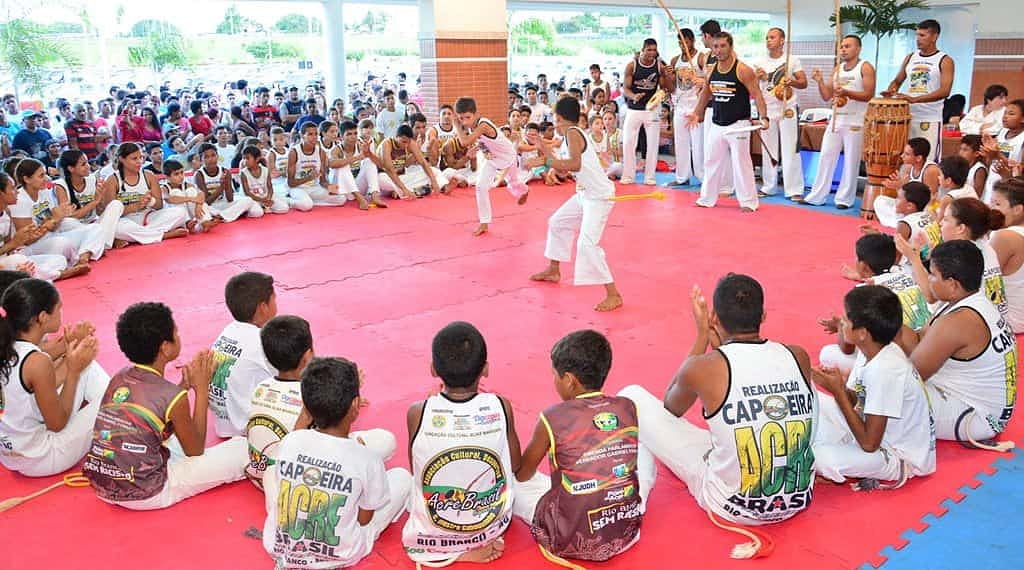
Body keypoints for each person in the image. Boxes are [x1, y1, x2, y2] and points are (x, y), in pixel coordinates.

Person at [619, 274, 815, 557]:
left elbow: (671, 407)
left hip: (734, 506)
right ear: (763, 315)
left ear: (714, 318)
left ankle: (637, 499)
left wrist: (701, 336)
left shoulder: (704, 367)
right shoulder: (798, 355)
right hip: (797, 499)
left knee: (631, 397)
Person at [82, 302, 249, 509]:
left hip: (103, 487)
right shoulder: (173, 397)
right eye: (176, 332)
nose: (179, 335)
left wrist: (184, 386)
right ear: (165, 347)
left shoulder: (120, 376)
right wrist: (202, 388)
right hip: (148, 493)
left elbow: (155, 416)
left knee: (171, 441)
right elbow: (195, 451)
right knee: (242, 448)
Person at [514, 330, 653, 563]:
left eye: (555, 376)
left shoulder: (552, 416)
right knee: (645, 454)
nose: (554, 381)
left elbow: (523, 474)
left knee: (506, 481)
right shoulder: (627, 406)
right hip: (625, 532)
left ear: (569, 380)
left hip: (566, 537)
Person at [263, 356, 411, 568]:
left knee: (275, 470)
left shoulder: (290, 441)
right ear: (355, 405)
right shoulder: (366, 459)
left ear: (305, 406)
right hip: (343, 552)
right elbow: (363, 520)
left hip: (280, 546)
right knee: (402, 478)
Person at [403, 321, 521, 565]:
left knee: (400, 480)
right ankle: (476, 540)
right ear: (485, 369)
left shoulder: (418, 412)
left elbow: (417, 471)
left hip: (432, 537)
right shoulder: (501, 405)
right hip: (489, 527)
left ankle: (454, 549)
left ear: (433, 369)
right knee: (530, 485)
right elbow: (516, 464)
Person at [895, 240, 1017, 447]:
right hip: (972, 401)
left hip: (976, 418)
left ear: (952, 283)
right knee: (855, 358)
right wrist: (884, 324)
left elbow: (911, 377)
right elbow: (916, 337)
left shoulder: (957, 321)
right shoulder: (968, 300)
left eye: (933, 274)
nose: (929, 280)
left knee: (879, 389)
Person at [812, 286, 936, 488]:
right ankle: (842, 445)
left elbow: (870, 444)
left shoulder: (885, 370)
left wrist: (838, 392)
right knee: (812, 400)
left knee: (819, 457)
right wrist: (838, 386)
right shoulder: (874, 348)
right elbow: (857, 400)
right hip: (874, 430)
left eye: (847, 319)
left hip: (900, 457)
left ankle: (841, 451)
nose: (842, 322)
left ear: (862, 333)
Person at [0, 278, 110, 476]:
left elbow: (44, 363)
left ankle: (111, 431)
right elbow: (58, 424)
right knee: (114, 399)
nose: (61, 313)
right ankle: (124, 432)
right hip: (43, 458)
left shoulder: (10, 346)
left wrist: (71, 346)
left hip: (9, 455)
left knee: (86, 368)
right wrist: (73, 370)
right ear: (42, 317)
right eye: (59, 308)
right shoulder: (36, 362)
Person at [528, 97, 624, 312]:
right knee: (557, 222)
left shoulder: (572, 133)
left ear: (560, 118)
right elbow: (563, 170)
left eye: (555, 119)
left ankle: (613, 294)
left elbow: (574, 164)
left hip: (599, 197)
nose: (555, 123)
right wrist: (544, 148)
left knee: (587, 245)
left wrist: (546, 161)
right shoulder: (568, 137)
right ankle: (554, 270)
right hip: (585, 194)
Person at [820, 233, 932, 373]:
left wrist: (840, 326)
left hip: (902, 360)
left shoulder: (863, 293)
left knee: (828, 354)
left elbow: (847, 348)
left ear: (864, 266)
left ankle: (852, 379)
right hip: (929, 348)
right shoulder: (910, 273)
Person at [687, 32, 769, 212]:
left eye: (723, 46)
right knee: (711, 162)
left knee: (742, 164)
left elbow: (757, 95)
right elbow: (706, 94)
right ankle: (706, 198)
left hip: (738, 125)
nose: (719, 50)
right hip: (717, 123)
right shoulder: (712, 70)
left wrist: (764, 117)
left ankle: (749, 202)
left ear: (730, 47)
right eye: (716, 46)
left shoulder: (743, 70)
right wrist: (696, 113)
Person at [805, 35, 876, 208]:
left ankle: (844, 199)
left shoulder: (865, 67)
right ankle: (817, 195)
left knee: (851, 160)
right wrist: (820, 81)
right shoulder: (838, 69)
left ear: (858, 48)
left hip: (855, 121)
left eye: (847, 46)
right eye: (842, 46)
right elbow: (826, 95)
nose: (843, 49)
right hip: (837, 119)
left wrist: (846, 92)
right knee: (826, 156)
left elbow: (869, 94)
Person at [244, 315, 313, 489]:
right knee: (381, 441)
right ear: (308, 356)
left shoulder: (260, 388)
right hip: (293, 485)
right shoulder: (311, 395)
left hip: (260, 477)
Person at [209, 271, 278, 438]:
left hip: (225, 425)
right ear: (263, 307)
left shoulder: (228, 331)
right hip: (251, 430)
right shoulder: (262, 340)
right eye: (274, 299)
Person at [11, 158, 107, 276]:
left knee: (95, 228)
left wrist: (59, 217)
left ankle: (83, 257)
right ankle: (72, 263)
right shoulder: (20, 199)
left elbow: (54, 225)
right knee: (62, 244)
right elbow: (27, 240)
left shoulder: (44, 191)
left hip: (51, 235)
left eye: (45, 174)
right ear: (27, 179)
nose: (47, 178)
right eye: (41, 176)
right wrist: (54, 219)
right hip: (31, 247)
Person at [454, 97, 530, 236]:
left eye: (467, 117)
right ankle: (484, 223)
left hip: (508, 156)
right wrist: (479, 149)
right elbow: (483, 142)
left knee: (513, 183)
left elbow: (464, 142)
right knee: (480, 186)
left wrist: (456, 125)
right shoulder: (472, 127)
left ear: (476, 114)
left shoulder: (483, 124)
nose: (465, 122)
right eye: (461, 118)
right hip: (493, 158)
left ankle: (524, 190)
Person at [882, 20, 954, 161]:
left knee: (927, 161)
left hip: (930, 118)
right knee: (906, 161)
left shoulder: (945, 60)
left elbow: (945, 91)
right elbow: (897, 81)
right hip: (908, 117)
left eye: (922, 35)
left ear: (934, 37)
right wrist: (891, 91)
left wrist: (916, 99)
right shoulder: (910, 57)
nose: (918, 39)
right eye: (917, 35)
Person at [755, 28, 808, 200]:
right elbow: (754, 87)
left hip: (787, 108)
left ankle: (794, 189)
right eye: (767, 38)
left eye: (772, 37)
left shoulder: (792, 60)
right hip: (768, 108)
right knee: (768, 149)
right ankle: (769, 186)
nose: (768, 40)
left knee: (790, 148)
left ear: (782, 40)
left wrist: (791, 81)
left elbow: (803, 82)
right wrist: (759, 77)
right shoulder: (759, 61)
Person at [103, 142, 189, 246]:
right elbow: (110, 213)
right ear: (122, 159)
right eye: (134, 159)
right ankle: (162, 235)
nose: (139, 162)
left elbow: (159, 206)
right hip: (125, 221)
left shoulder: (149, 176)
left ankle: (136, 237)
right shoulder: (112, 180)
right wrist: (135, 206)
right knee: (117, 228)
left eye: (141, 157)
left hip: (148, 218)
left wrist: (150, 201)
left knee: (180, 213)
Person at [621, 38, 675, 185]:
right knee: (628, 143)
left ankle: (650, 177)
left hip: (652, 109)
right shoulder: (632, 66)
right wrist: (633, 96)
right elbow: (625, 88)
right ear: (643, 50)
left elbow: (669, 89)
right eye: (649, 50)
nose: (652, 53)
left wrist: (669, 76)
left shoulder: (659, 66)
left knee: (652, 145)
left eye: (654, 50)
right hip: (634, 109)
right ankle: (628, 175)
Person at [0, 173, 68, 280]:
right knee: (18, 261)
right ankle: (60, 274)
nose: (17, 191)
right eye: (12, 188)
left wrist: (28, 237)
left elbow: (8, 246)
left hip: (9, 259)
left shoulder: (6, 212)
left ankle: (34, 275)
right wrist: (14, 243)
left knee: (59, 260)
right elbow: (11, 245)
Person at [53, 149, 124, 251]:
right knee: (66, 221)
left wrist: (101, 200)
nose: (88, 166)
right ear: (71, 168)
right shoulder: (60, 185)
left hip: (94, 224)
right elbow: (70, 216)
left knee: (116, 204)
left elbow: (100, 212)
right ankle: (103, 242)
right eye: (83, 164)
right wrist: (94, 202)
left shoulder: (93, 179)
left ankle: (99, 242)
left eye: (87, 162)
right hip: (76, 228)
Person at [875, 138, 942, 227]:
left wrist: (902, 187)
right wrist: (898, 187)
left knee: (927, 211)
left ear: (918, 158)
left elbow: (929, 199)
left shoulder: (931, 170)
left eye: (907, 154)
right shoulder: (907, 168)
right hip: (910, 206)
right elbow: (903, 196)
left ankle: (903, 224)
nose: (902, 156)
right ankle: (902, 223)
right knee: (880, 201)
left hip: (927, 207)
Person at [989, 178, 1024, 332]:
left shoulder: (1006, 237)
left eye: (997, 204)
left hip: (1009, 321)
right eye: (991, 203)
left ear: (1017, 209)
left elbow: (979, 278)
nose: (991, 209)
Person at [671, 28, 705, 186]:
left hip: (695, 107)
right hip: (680, 105)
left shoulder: (701, 58)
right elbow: (671, 86)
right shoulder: (675, 60)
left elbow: (709, 78)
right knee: (680, 143)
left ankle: (703, 177)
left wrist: (700, 79)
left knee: (698, 145)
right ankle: (682, 177)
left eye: (685, 42)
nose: (682, 45)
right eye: (679, 42)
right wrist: (668, 75)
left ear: (692, 41)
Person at [377, 124, 447, 199]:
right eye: (403, 142)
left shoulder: (410, 143)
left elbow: (423, 163)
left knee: (434, 171)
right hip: (387, 178)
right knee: (381, 180)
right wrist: (404, 189)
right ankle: (406, 190)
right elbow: (390, 170)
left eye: (408, 142)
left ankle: (400, 192)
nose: (406, 145)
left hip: (403, 178)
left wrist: (434, 181)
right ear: (396, 136)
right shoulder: (386, 144)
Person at [194, 142, 260, 223]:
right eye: (206, 157)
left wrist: (226, 184)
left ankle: (221, 216)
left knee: (250, 203)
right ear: (201, 160)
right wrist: (221, 187)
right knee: (203, 208)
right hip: (209, 207)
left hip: (223, 205)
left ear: (217, 156)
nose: (211, 159)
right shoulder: (199, 175)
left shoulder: (225, 171)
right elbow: (207, 201)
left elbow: (230, 199)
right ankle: (226, 215)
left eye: (213, 155)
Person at [287, 123, 346, 208]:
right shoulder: (294, 152)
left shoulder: (321, 152)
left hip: (314, 187)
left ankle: (310, 201)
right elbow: (291, 183)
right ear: (302, 135)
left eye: (316, 134)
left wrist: (329, 187)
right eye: (310, 134)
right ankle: (288, 200)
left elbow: (322, 180)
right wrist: (309, 178)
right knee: (306, 206)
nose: (314, 137)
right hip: (297, 188)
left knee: (341, 199)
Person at [333, 120, 385, 208]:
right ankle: (360, 199)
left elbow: (381, 165)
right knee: (342, 166)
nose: (353, 137)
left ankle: (374, 195)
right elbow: (332, 164)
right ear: (341, 137)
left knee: (369, 162)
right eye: (349, 134)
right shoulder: (336, 150)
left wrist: (369, 153)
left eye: (355, 133)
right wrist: (356, 158)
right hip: (342, 189)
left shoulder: (361, 146)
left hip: (357, 187)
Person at [981, 98, 1024, 203]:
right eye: (1004, 113)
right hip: (992, 183)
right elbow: (990, 163)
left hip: (1010, 190)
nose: (1005, 116)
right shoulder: (1002, 132)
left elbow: (1020, 170)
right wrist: (988, 154)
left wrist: (997, 155)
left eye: (1011, 114)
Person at [161, 159, 218, 233]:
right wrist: (191, 199)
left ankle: (204, 221)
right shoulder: (164, 188)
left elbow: (201, 194)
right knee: (176, 192)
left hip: (193, 213)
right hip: (177, 216)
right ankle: (187, 223)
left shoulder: (187, 184)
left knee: (191, 191)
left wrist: (198, 206)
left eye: (182, 172)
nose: (181, 176)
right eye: (176, 174)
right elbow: (169, 199)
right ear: (167, 177)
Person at [239, 145, 288, 215]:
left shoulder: (265, 170)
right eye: (243, 158)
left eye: (247, 158)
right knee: (257, 213)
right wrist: (262, 200)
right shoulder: (243, 173)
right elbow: (247, 193)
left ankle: (264, 207)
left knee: (284, 208)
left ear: (257, 159)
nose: (245, 161)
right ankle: (259, 208)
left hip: (264, 196)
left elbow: (270, 188)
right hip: (252, 199)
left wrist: (268, 198)